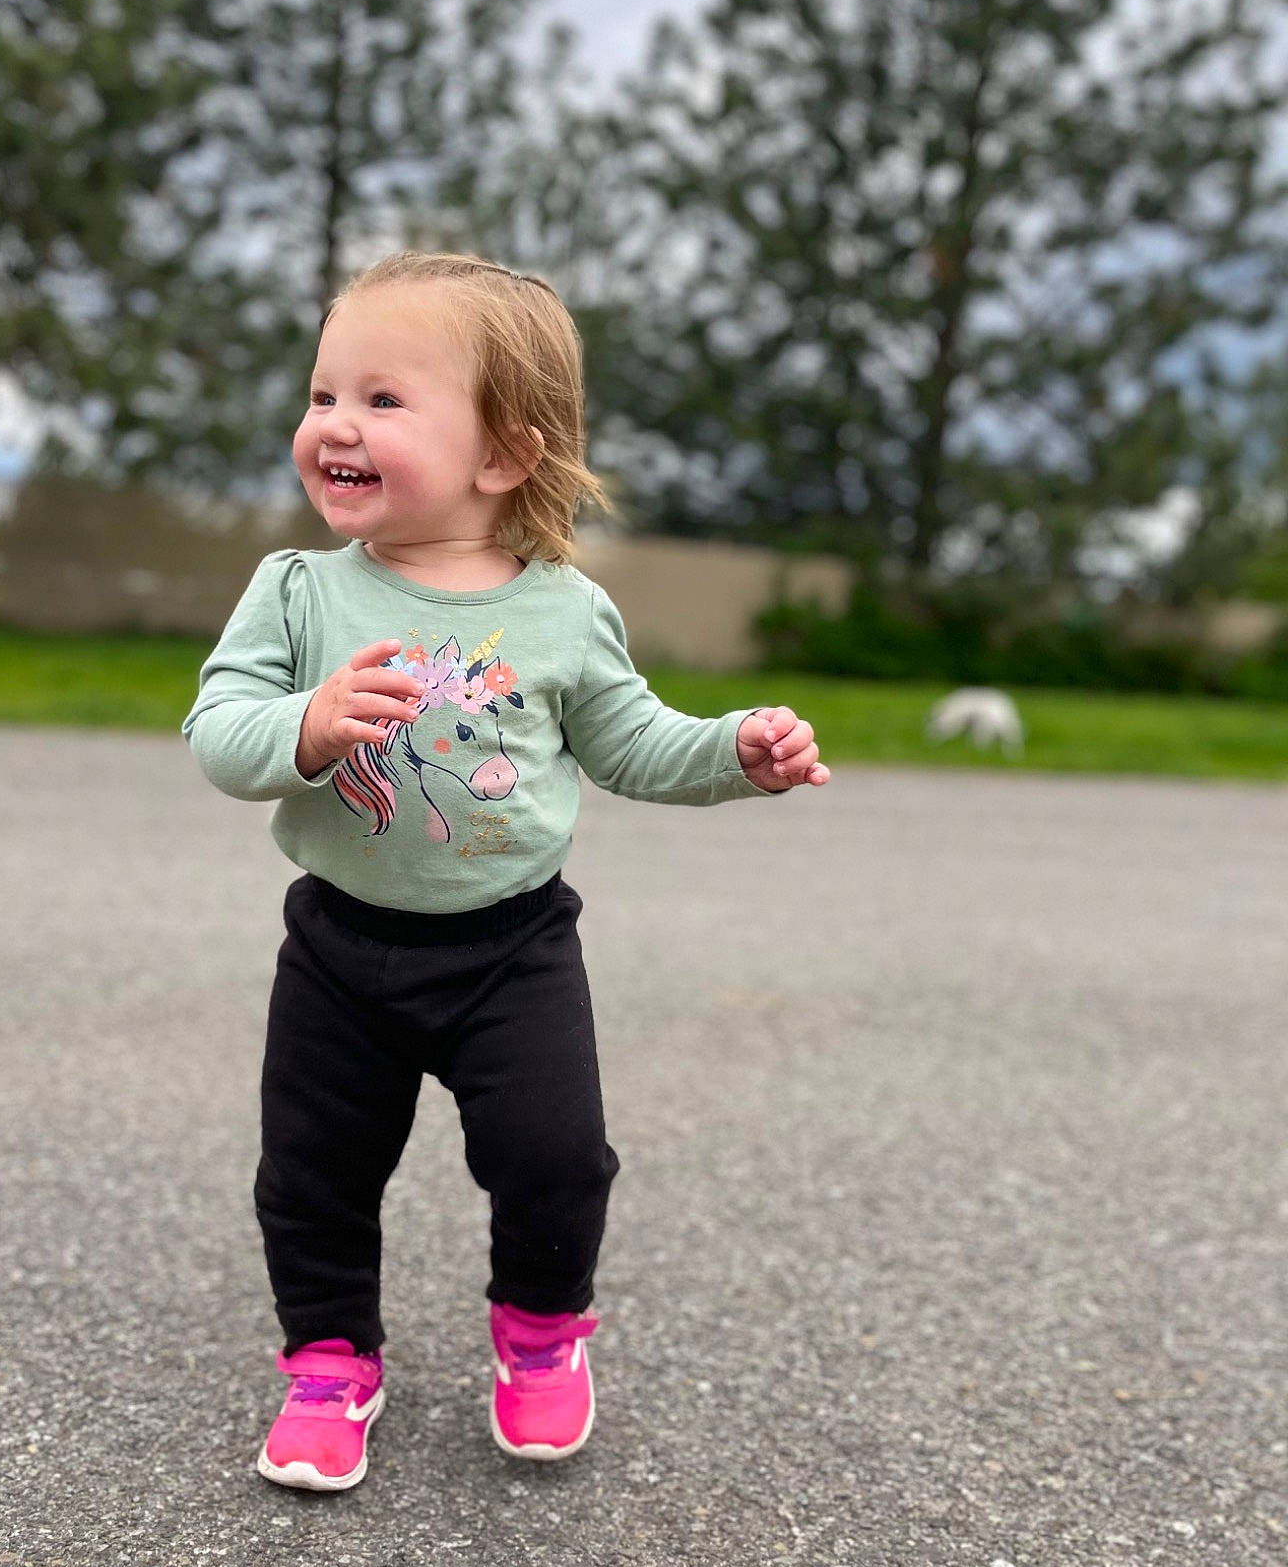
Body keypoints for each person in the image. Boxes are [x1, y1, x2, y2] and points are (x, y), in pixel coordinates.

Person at [182, 250, 830, 1493]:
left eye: (382, 399)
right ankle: (328, 1361)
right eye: (323, 393)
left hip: (510, 948)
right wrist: (306, 724)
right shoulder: (297, 592)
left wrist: (733, 750)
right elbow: (218, 733)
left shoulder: (563, 610)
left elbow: (631, 740)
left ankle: (540, 1332)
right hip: (339, 946)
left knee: (556, 1156)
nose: (334, 424)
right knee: (311, 1172)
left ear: (503, 454)